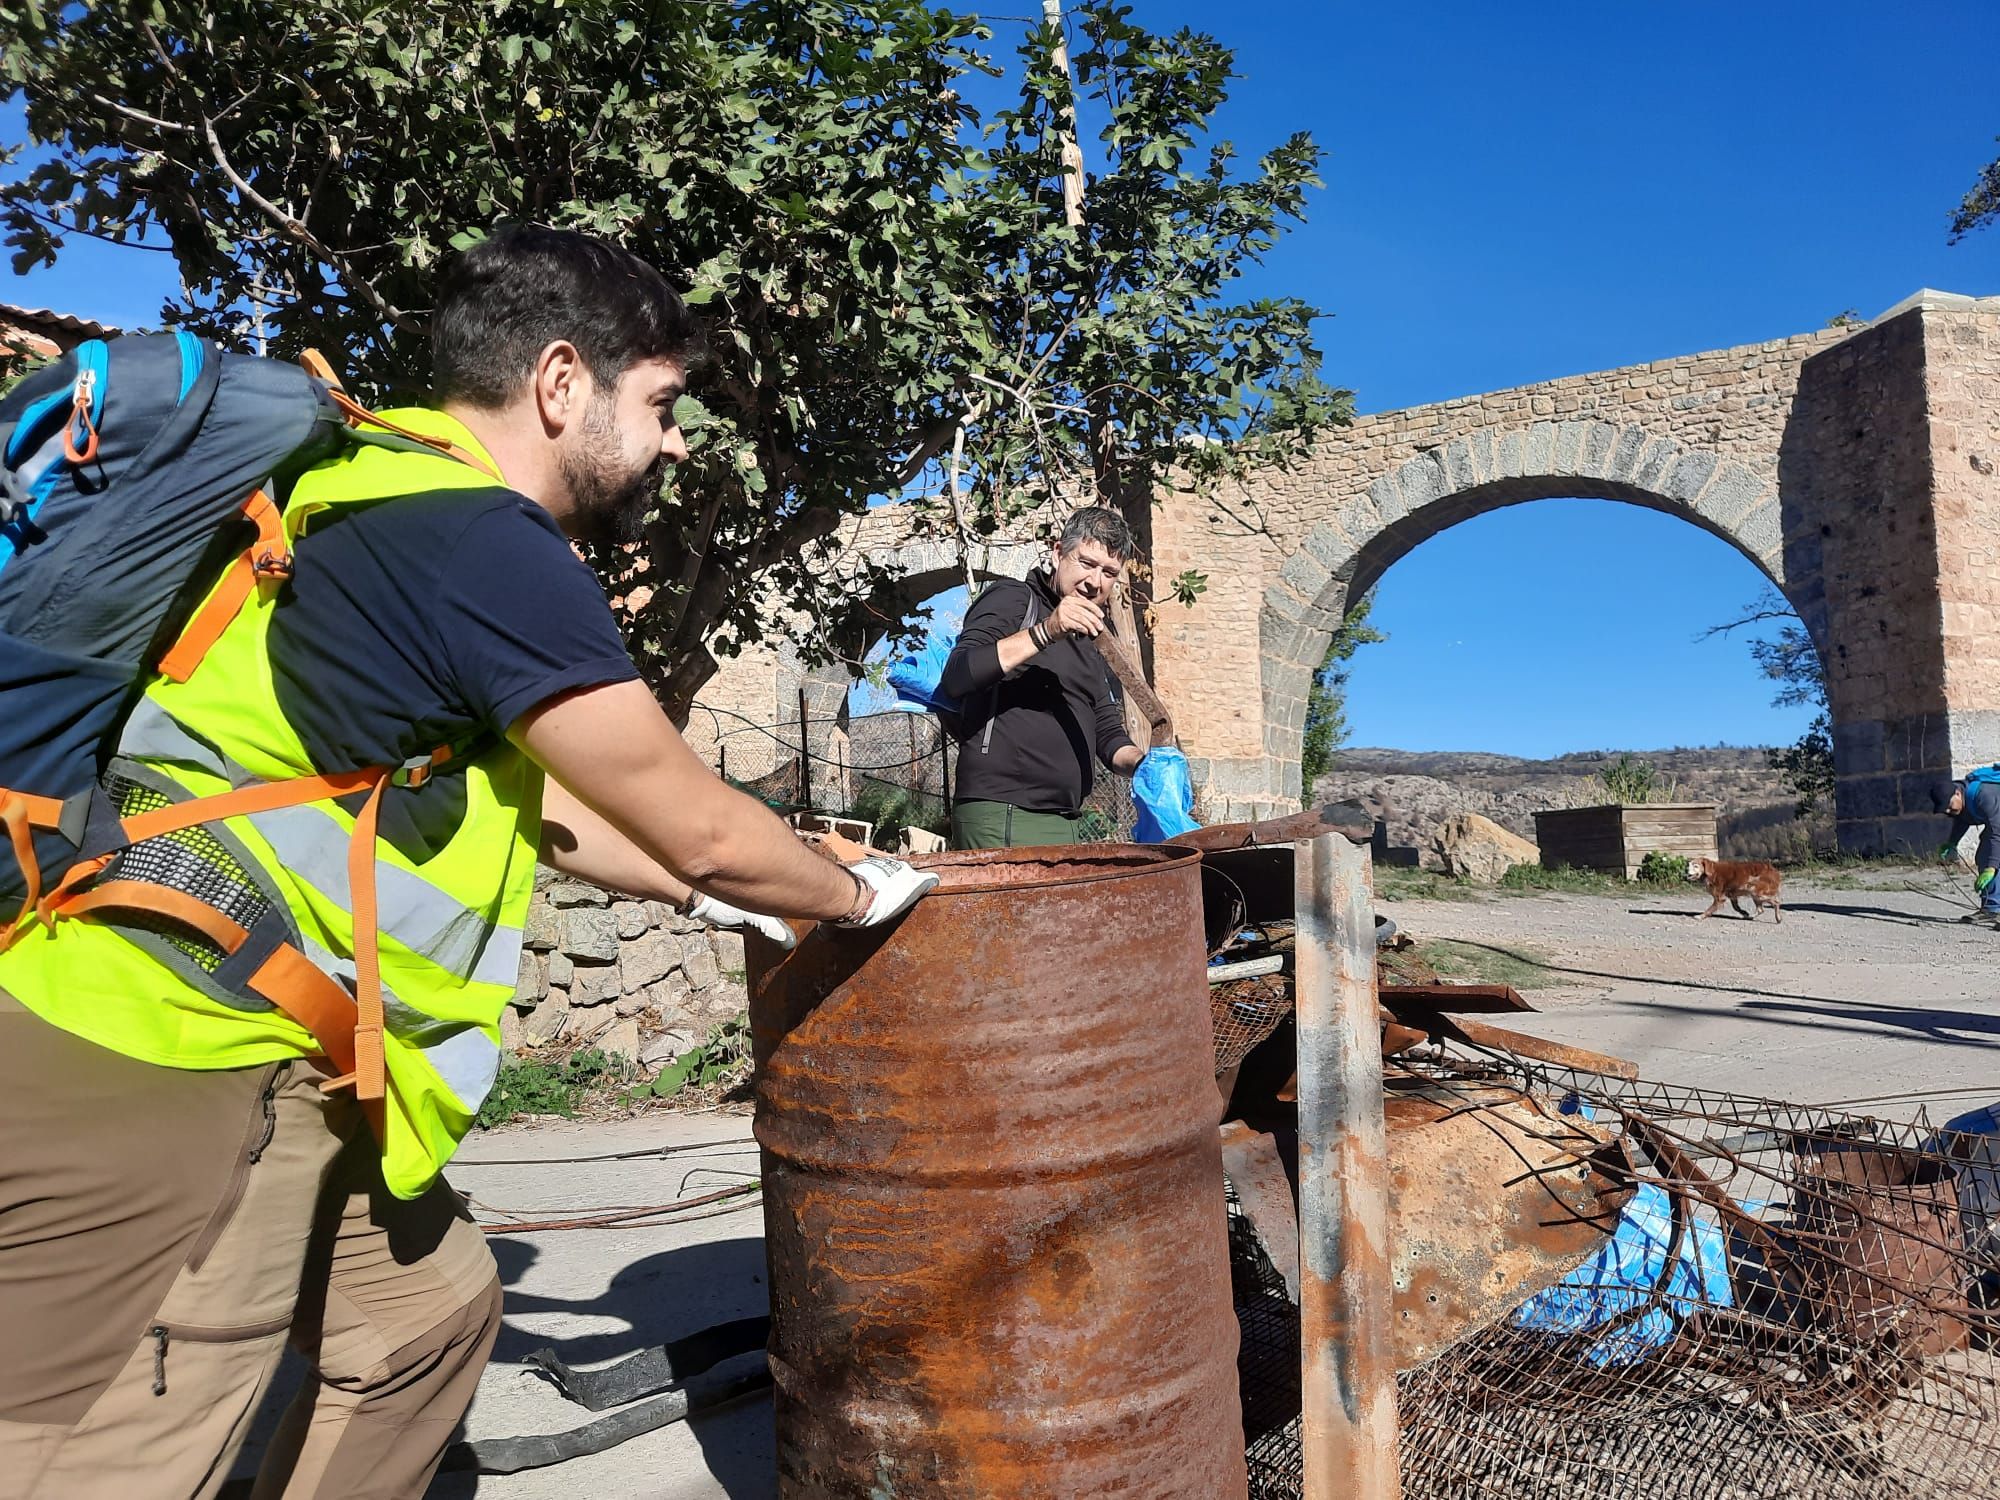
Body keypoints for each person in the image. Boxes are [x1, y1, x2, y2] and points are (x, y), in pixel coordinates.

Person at [0, 225, 935, 1498]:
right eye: (660, 404)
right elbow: (701, 818)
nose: (673, 441)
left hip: (290, 1046)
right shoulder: (479, 543)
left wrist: (728, 898)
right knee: (110, 1456)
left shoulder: (369, 486)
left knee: (421, 1320)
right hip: (175, 1054)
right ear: (561, 383)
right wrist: (861, 897)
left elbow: (547, 808)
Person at [938, 506, 1147, 849]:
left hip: (1065, 819)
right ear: (1058, 552)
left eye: (1109, 572)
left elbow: (1106, 731)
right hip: (1004, 812)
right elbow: (959, 675)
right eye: (1087, 563)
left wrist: (1145, 764)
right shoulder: (1015, 599)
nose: (1095, 582)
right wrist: (1049, 630)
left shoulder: (1090, 637)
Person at [1936, 775, 2000, 925]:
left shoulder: (1984, 796)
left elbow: (1997, 833)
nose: (1948, 810)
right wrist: (1952, 843)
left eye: (1949, 805)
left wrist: (1991, 868)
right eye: (1944, 809)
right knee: (1985, 855)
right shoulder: (1964, 799)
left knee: (1993, 857)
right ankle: (1992, 908)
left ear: (1957, 793)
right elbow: (1963, 819)